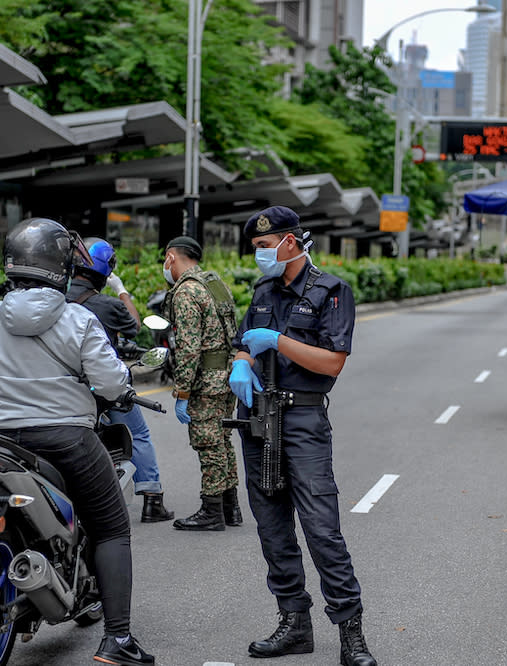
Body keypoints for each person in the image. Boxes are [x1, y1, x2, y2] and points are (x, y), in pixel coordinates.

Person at [0, 218, 154, 665]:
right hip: (66, 439)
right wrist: (123, 386)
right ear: (63, 266)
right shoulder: (79, 318)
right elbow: (109, 382)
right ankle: (118, 640)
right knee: (111, 527)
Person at [229, 207, 376, 666]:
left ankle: (351, 632)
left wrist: (276, 341)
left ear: (289, 242)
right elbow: (243, 340)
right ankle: (294, 622)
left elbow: (332, 362)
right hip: (258, 418)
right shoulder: (263, 289)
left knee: (320, 529)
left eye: (262, 247)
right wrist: (241, 361)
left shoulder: (331, 292)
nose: (259, 255)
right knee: (272, 527)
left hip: (303, 420)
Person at [67, 236, 174, 523]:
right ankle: (152, 498)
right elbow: (134, 325)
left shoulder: (55, 300)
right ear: (106, 270)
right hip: (105, 383)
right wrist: (122, 290)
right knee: (137, 434)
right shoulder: (106, 304)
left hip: (65, 386)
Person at [161, 236, 242, 531]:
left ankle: (212, 511)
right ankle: (231, 508)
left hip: (204, 383)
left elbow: (188, 348)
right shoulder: (214, 283)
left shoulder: (186, 292)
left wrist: (182, 390)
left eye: (165, 261)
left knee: (208, 445)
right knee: (222, 441)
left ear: (171, 257)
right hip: (225, 376)